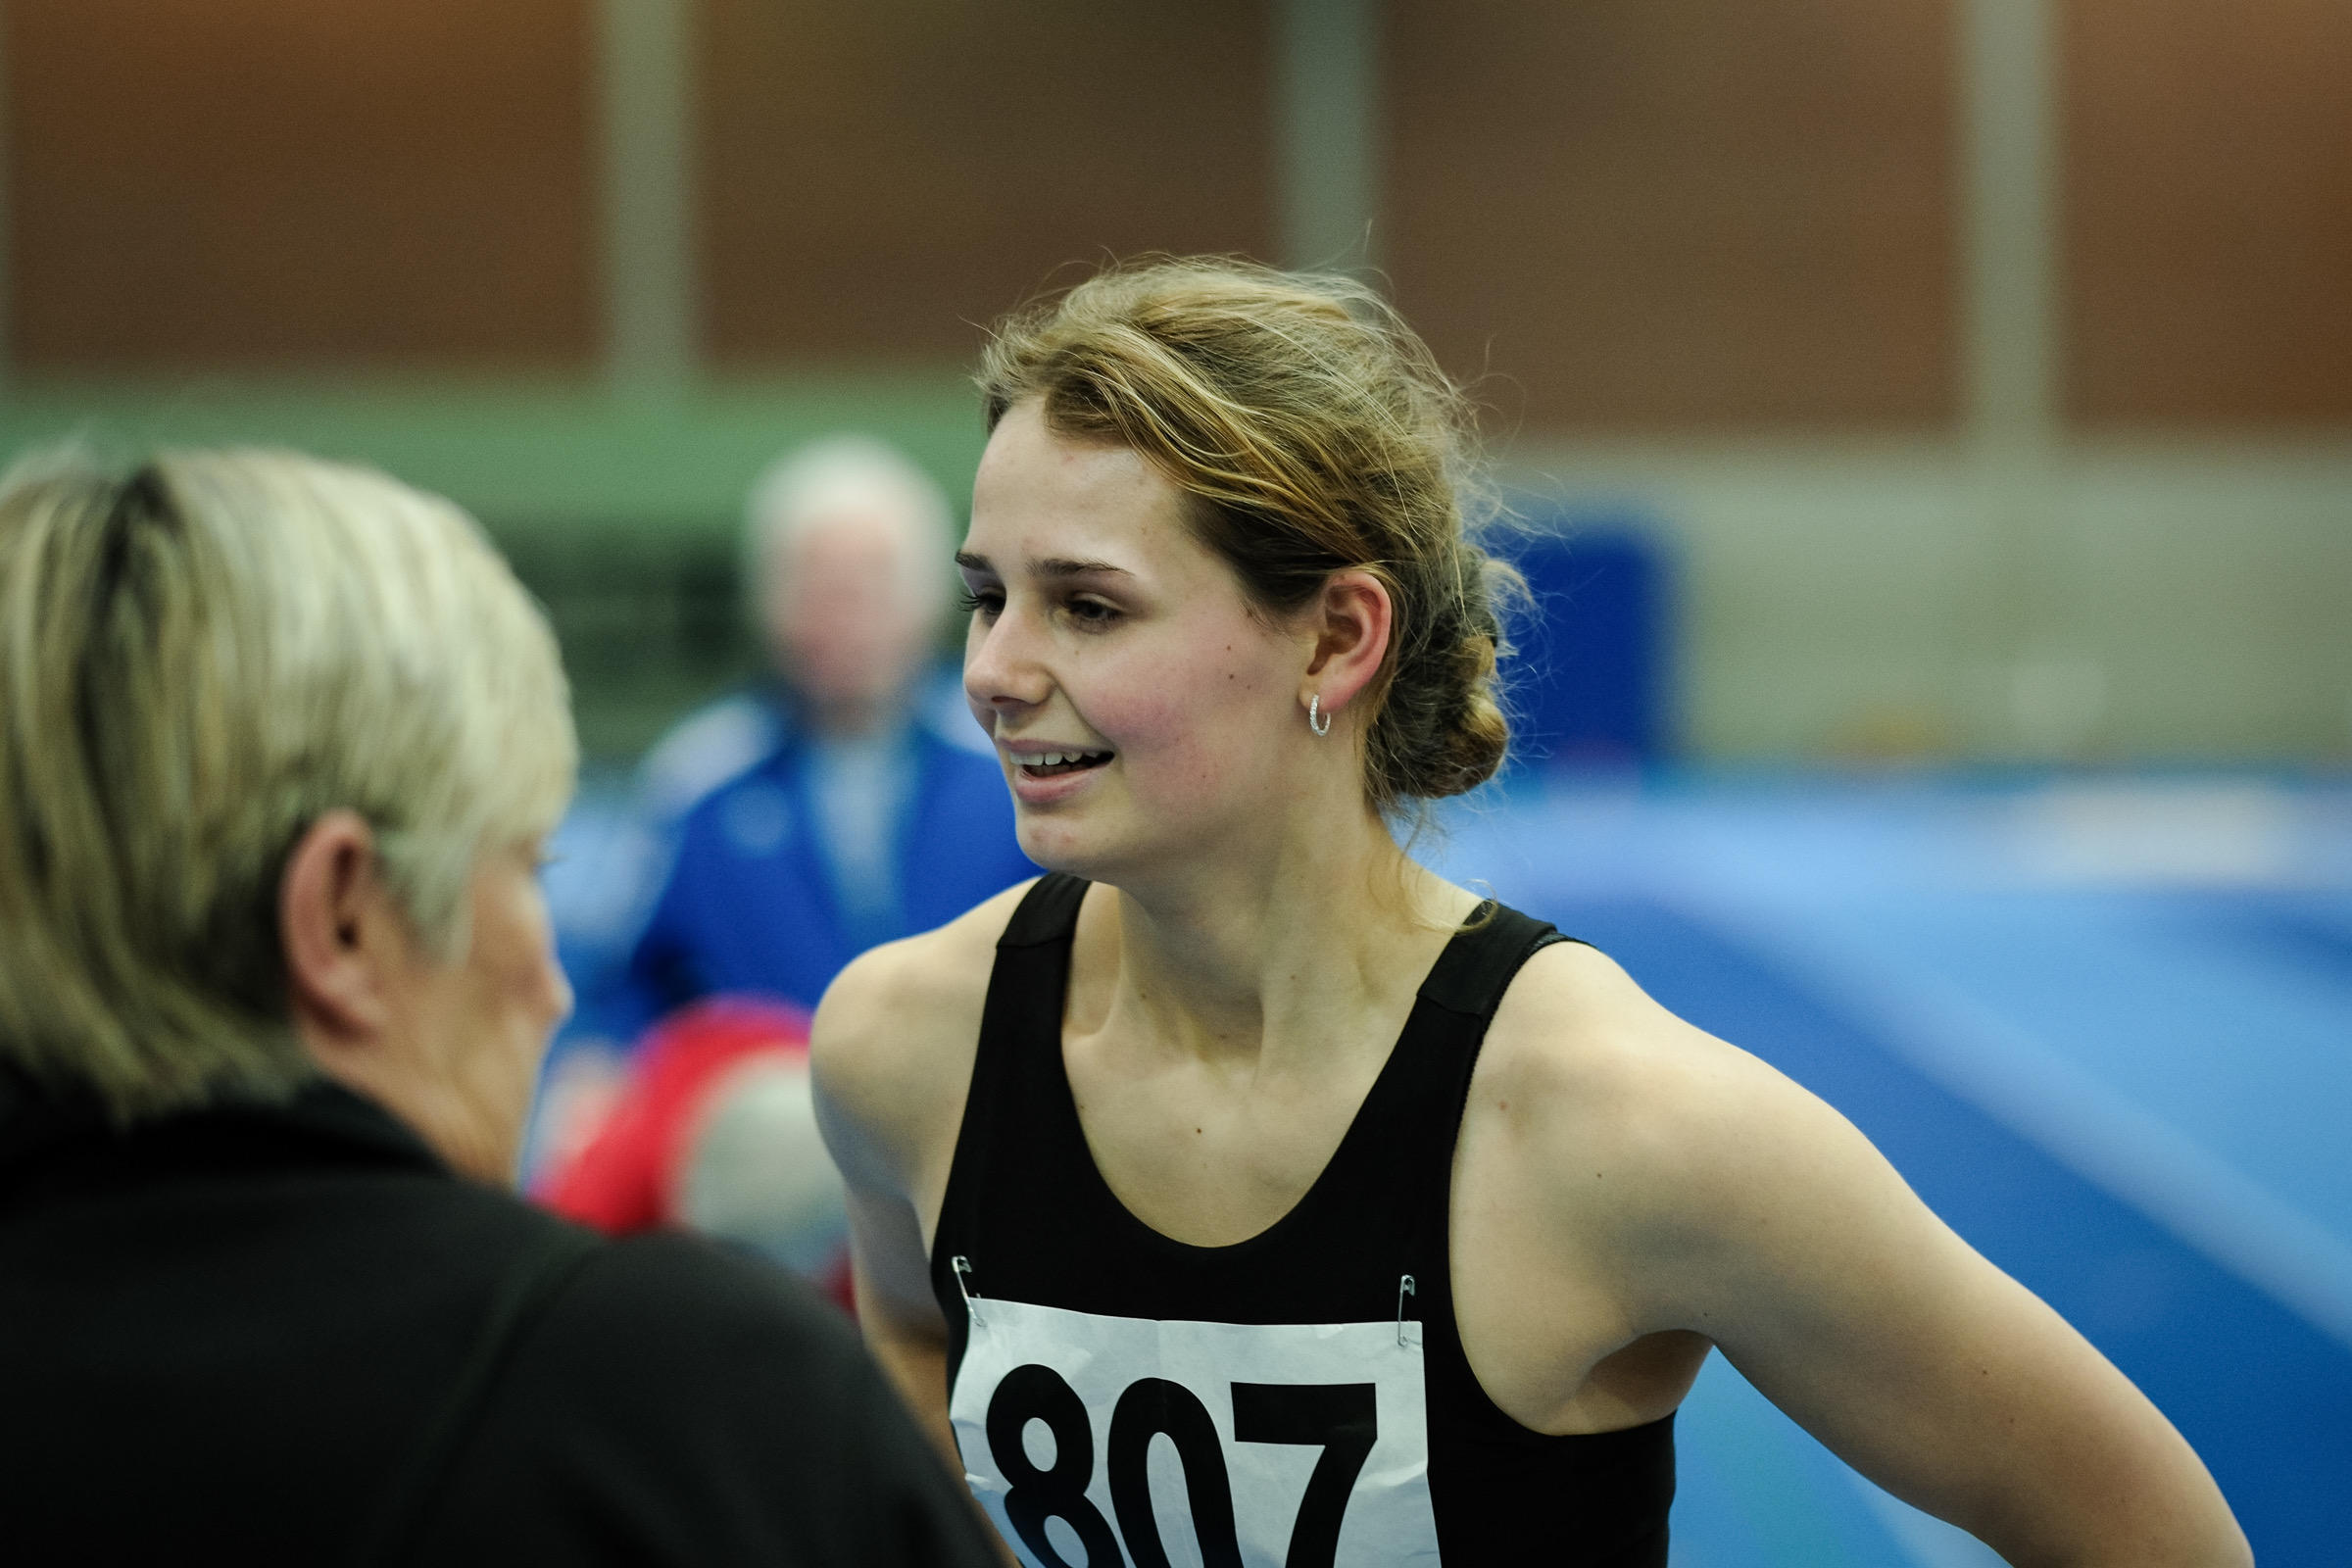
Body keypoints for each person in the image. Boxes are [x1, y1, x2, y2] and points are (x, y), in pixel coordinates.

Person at [810, 261, 2252, 1566]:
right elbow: (914, 1351)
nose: (992, 671)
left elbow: (2147, 1531)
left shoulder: (1623, 1129)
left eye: (1088, 606)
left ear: (1337, 636)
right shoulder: (904, 1051)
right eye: (988, 596)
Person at [0, 449, 1002, 1566]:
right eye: (527, 867)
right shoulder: (707, 1417)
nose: (551, 983)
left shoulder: (988, 775)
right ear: (341, 922)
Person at [585, 435, 1036, 1046]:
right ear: (767, 603)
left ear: (929, 601)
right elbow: (617, 991)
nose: (842, 617)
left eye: (869, 588)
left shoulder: (1011, 758)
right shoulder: (699, 778)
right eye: (816, 587)